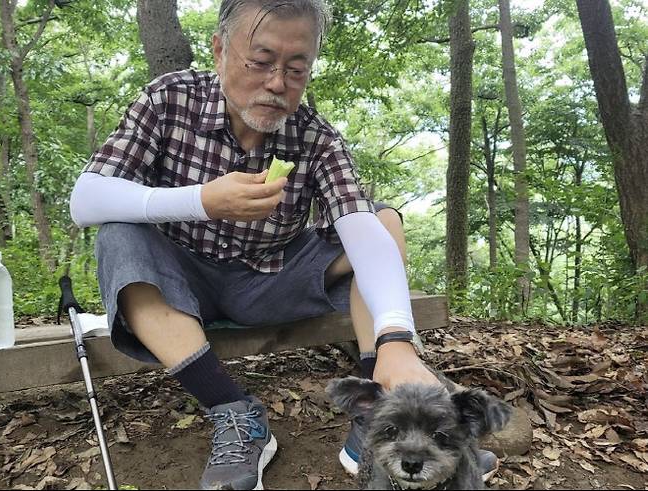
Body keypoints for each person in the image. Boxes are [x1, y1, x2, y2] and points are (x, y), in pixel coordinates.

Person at [70, 1, 494, 489]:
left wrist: (396, 337)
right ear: (219, 49)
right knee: (118, 233)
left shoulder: (315, 137)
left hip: (274, 281)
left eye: (297, 69)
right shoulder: (169, 100)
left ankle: (376, 422)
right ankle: (234, 412)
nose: (277, 84)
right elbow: (86, 197)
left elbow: (358, 227)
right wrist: (202, 200)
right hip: (181, 288)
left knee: (382, 220)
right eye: (260, 61)